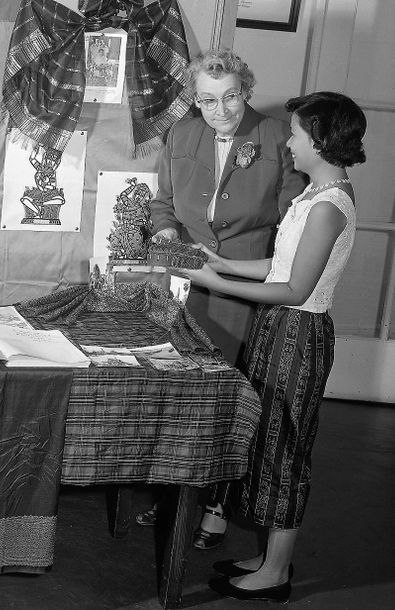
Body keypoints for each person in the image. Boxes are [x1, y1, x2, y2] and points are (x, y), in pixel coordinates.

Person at [170, 92, 366, 602]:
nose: (290, 141)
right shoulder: (311, 195)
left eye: (298, 134)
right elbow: (279, 268)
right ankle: (267, 556)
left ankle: (276, 570)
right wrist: (220, 263)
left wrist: (215, 284)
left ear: (321, 141)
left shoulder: (329, 205)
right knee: (267, 442)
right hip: (277, 329)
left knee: (286, 451)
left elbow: (296, 290)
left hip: (297, 334)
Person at [142, 49, 305, 547]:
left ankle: (215, 502)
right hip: (184, 284)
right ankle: (171, 490)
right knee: (177, 391)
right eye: (208, 100)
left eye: (230, 97)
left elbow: (291, 225)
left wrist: (240, 266)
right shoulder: (180, 133)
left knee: (227, 397)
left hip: (244, 288)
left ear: (246, 91)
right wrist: (172, 240)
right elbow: (162, 205)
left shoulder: (279, 137)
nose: (221, 111)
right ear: (195, 99)